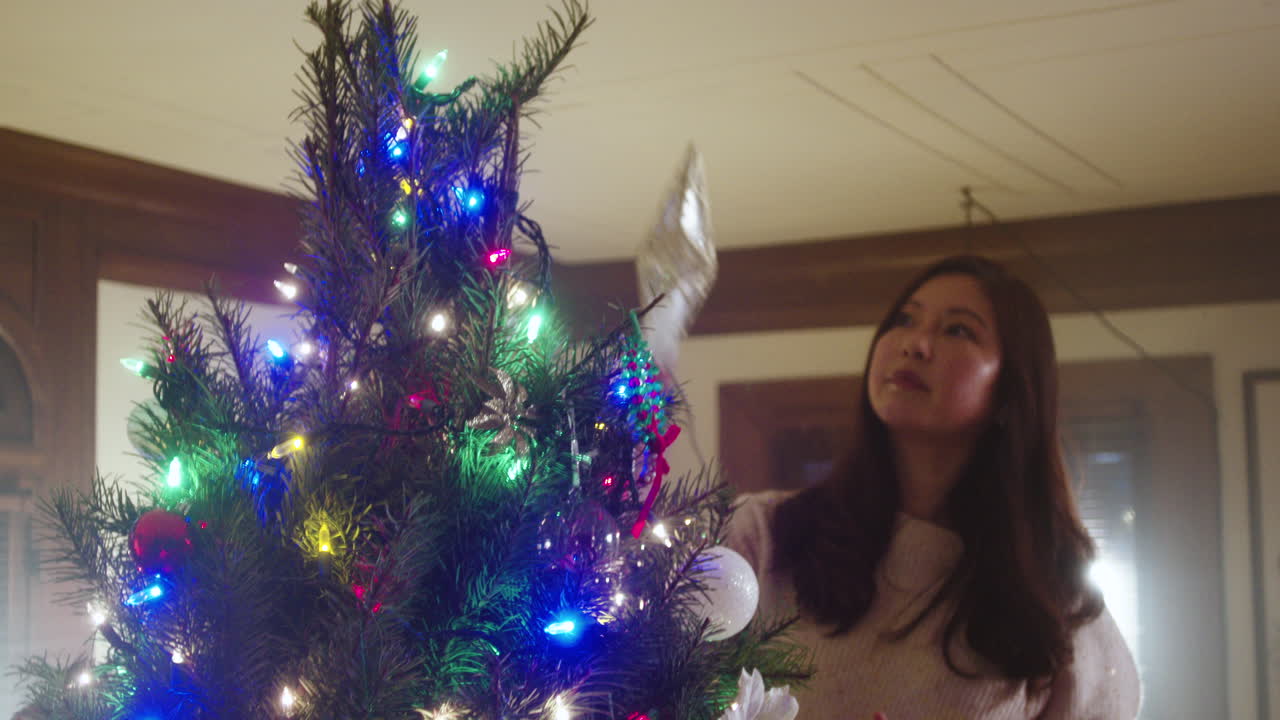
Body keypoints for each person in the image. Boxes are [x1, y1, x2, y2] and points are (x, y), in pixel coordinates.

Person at [725, 255, 1140, 719]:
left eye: (958, 330)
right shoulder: (765, 534)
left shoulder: (1059, 608)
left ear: (1010, 391)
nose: (916, 344)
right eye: (905, 320)